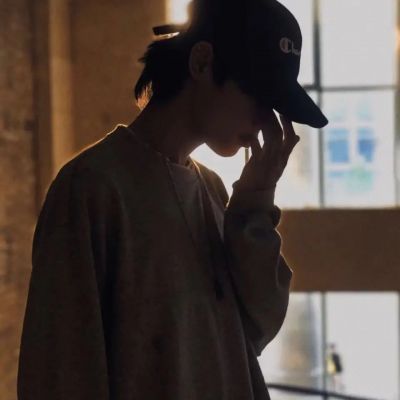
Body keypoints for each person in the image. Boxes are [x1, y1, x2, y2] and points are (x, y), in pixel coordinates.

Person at [17, 0, 328, 399]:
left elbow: (258, 326)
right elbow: (59, 373)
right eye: (256, 96)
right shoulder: (92, 189)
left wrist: (255, 201)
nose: (264, 121)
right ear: (202, 63)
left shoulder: (213, 191)